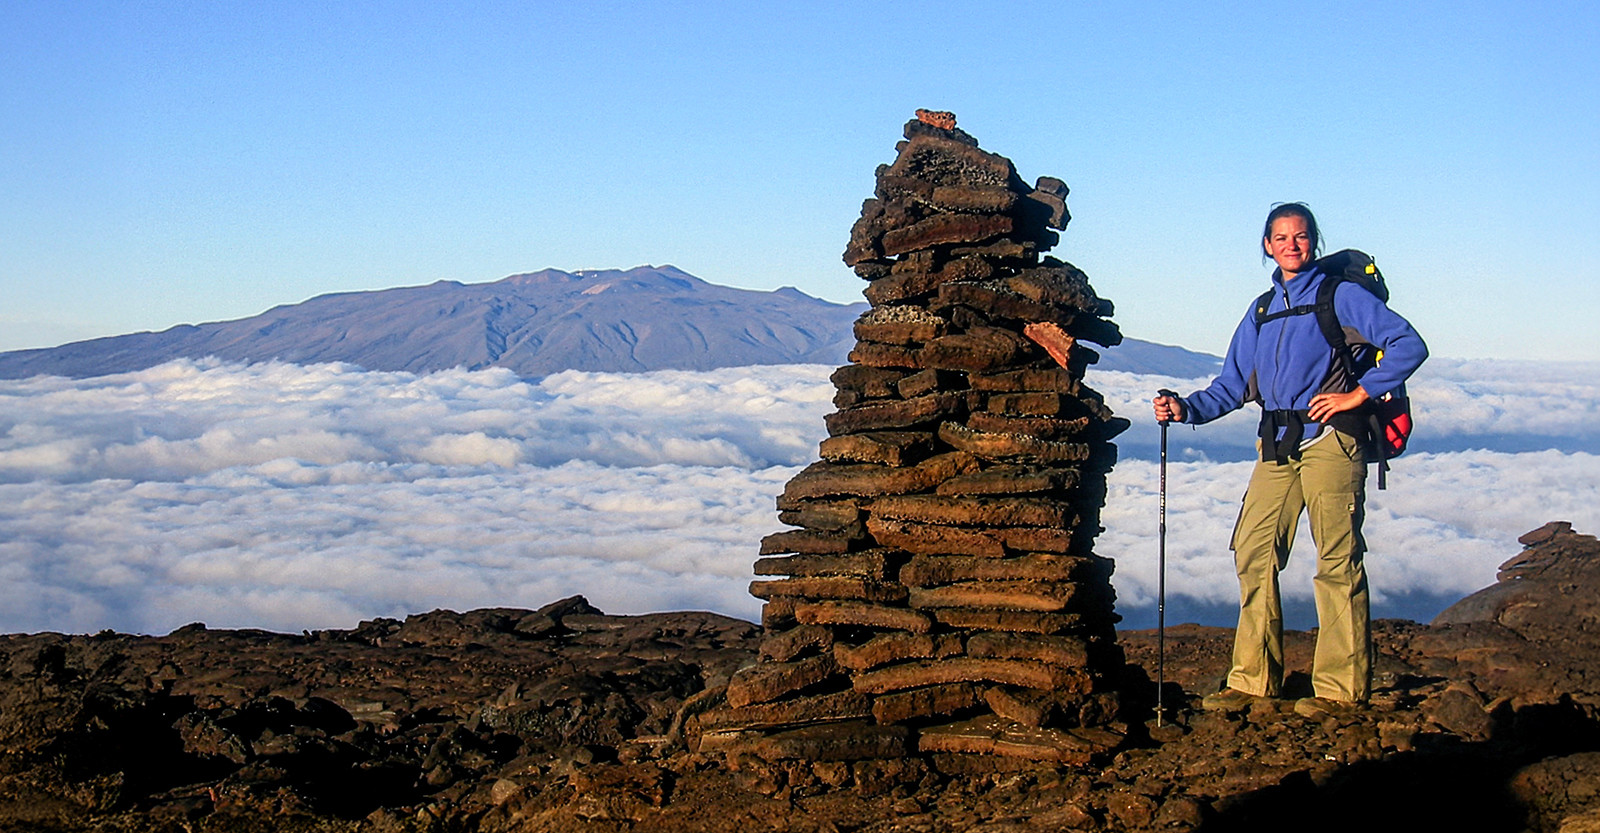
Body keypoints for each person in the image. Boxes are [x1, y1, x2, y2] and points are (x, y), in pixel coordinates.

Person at [1151, 202, 1427, 718]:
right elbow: (1232, 385)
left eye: (1300, 237)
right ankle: (1253, 681)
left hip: (1331, 440)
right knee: (1253, 553)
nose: (1291, 245)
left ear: (1313, 242)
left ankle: (1341, 691)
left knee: (1336, 561)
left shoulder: (1339, 295)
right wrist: (1184, 408)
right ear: (1266, 246)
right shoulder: (1260, 310)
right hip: (1277, 443)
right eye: (1281, 238)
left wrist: (1358, 395)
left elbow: (1408, 344)